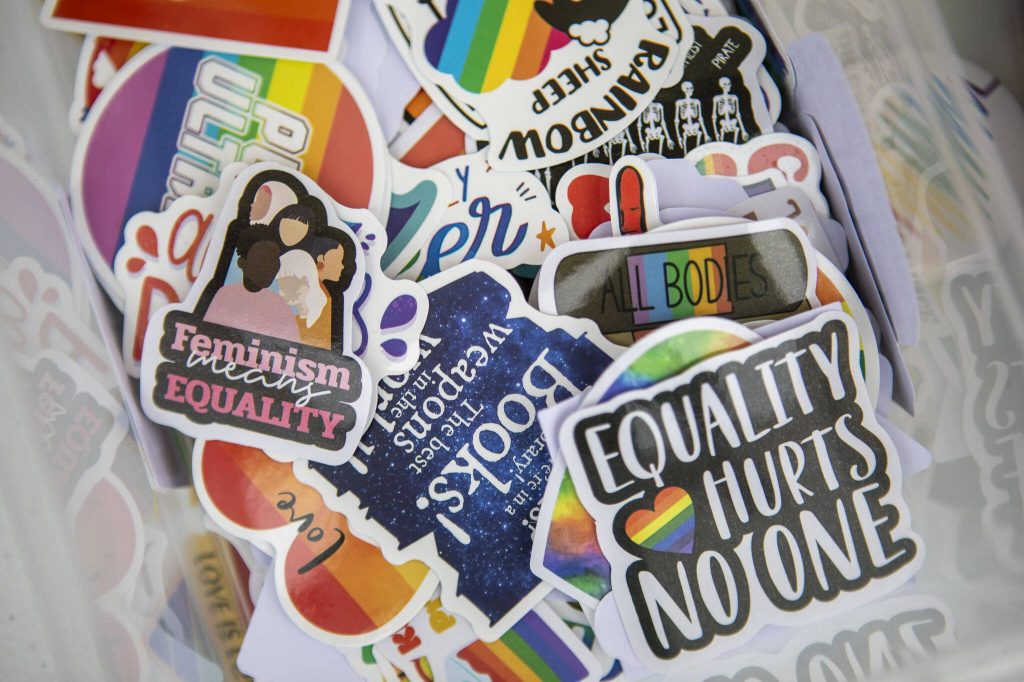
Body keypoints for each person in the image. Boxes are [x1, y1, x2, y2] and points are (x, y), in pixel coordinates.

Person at [204, 229, 301, 342]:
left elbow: (293, 349)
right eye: (263, 258)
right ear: (242, 262)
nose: (270, 266)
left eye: (274, 258)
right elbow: (206, 334)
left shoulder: (279, 305)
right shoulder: (225, 295)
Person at [277, 250, 330, 349]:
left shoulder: (328, 313)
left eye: (289, 284)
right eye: (280, 284)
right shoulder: (294, 320)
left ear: (307, 280)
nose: (281, 292)